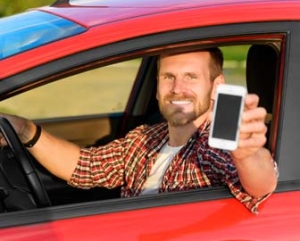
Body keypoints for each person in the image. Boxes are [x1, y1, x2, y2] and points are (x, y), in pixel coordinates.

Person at [0, 48, 277, 214]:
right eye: (169, 77)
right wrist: (24, 129)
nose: (178, 88)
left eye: (191, 77)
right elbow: (86, 167)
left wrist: (246, 155)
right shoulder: (145, 139)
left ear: (216, 86)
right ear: (157, 86)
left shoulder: (213, 145)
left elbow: (260, 186)